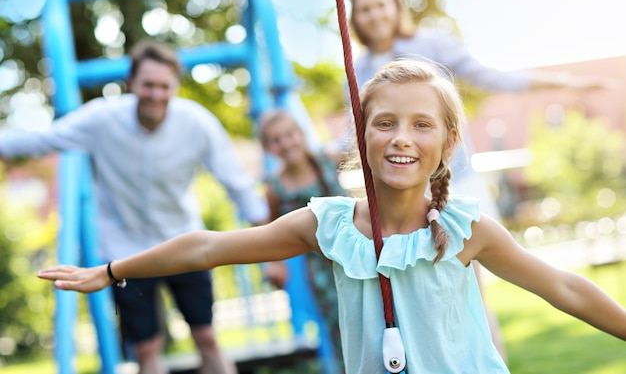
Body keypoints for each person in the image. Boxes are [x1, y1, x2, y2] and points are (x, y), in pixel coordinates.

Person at [38, 60, 626, 374]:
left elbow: (565, 289)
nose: (401, 138)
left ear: (448, 142)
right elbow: (206, 247)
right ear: (361, 136)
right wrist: (112, 269)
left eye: (422, 124)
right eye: (385, 122)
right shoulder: (329, 227)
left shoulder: (465, 231)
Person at [346, 0, 613, 358]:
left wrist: (563, 82)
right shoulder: (359, 70)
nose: (373, 15)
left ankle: (490, 359)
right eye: (365, 8)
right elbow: (351, 132)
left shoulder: (430, 45)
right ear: (355, 17)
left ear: (396, 7)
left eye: (380, 5)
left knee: (468, 277)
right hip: (397, 197)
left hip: (454, 181)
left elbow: (489, 76)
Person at [0, 40, 270, 374]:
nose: (155, 94)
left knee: (207, 337)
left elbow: (236, 181)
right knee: (146, 348)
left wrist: (268, 244)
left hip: (182, 241)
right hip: (124, 248)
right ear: (131, 84)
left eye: (163, 86)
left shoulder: (197, 123)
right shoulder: (102, 118)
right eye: (148, 84)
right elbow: (43, 139)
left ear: (175, 86)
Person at [258, 108, 346, 373]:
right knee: (340, 326)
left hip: (355, 249)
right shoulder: (276, 189)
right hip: (321, 268)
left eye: (290, 135)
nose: (286, 143)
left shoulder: (328, 161)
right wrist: (274, 263)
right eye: (276, 139)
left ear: (301, 134)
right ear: (268, 147)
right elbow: (271, 230)